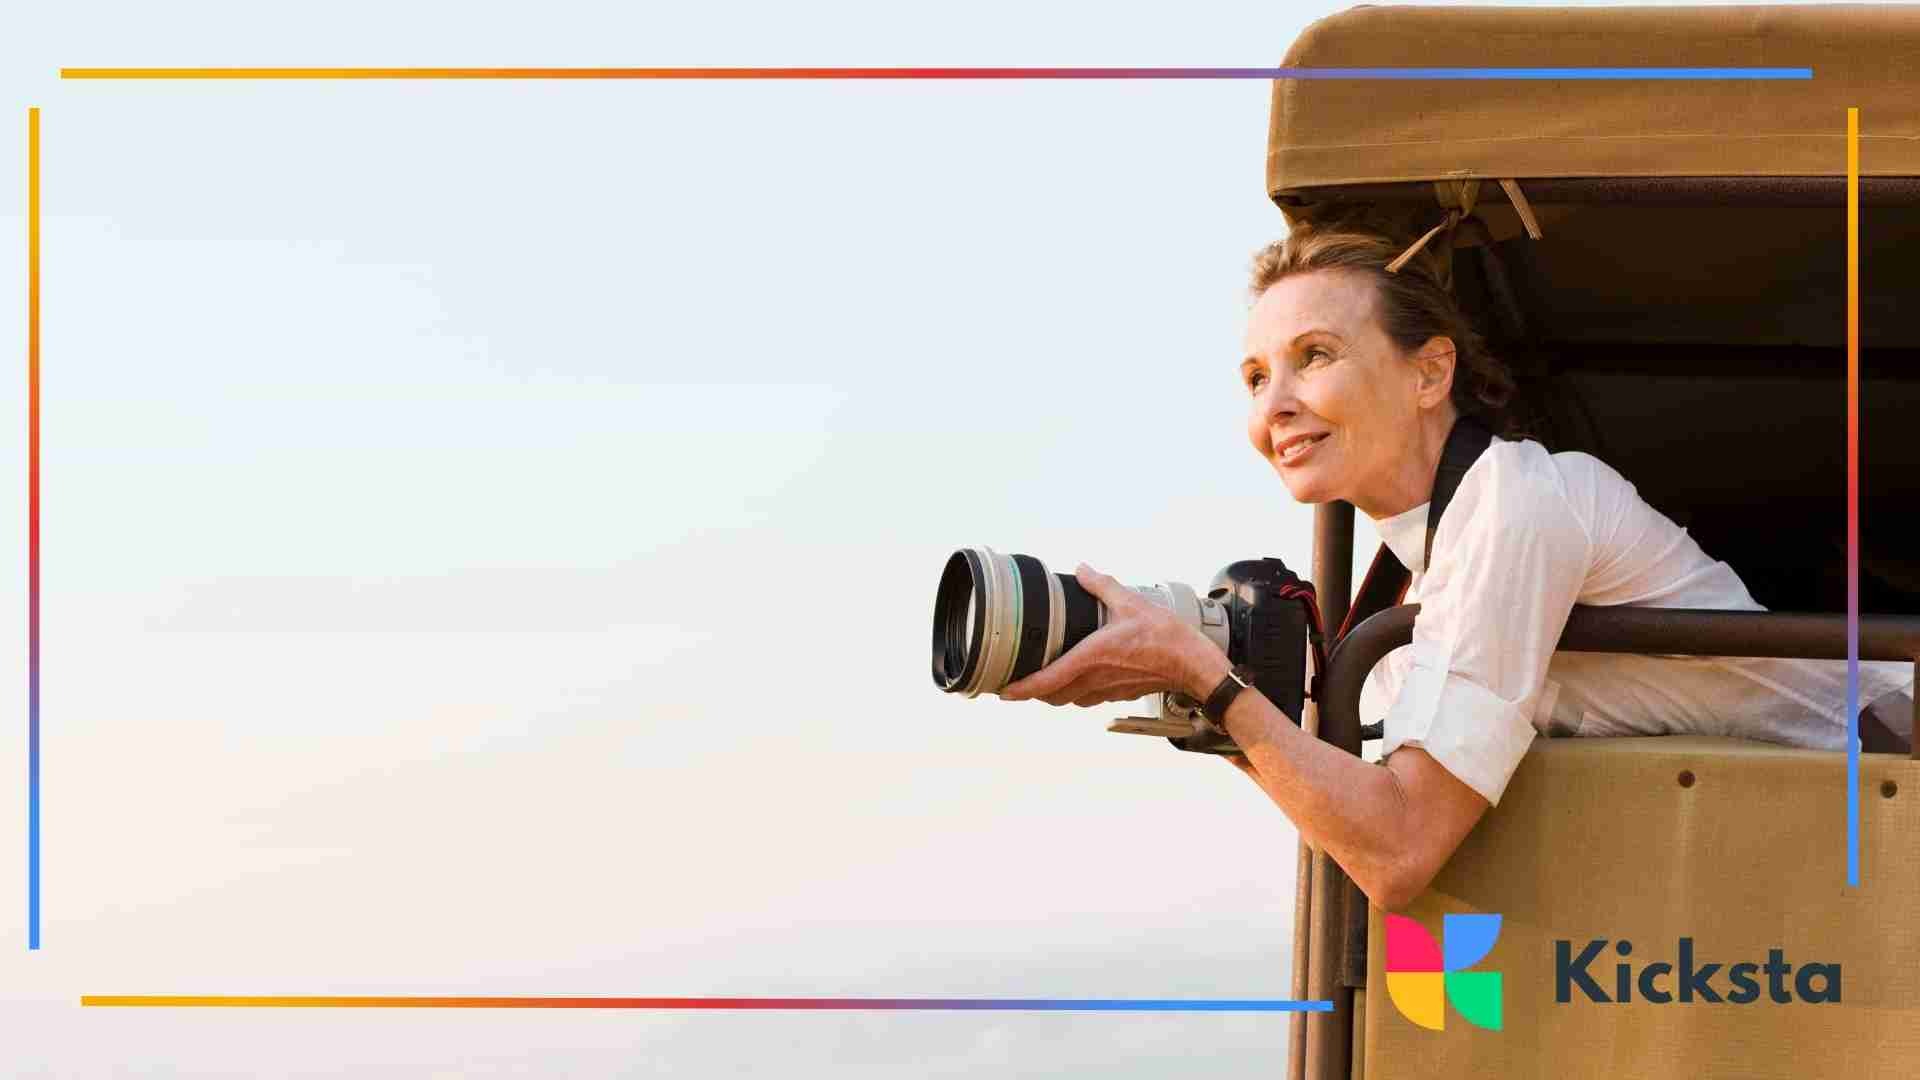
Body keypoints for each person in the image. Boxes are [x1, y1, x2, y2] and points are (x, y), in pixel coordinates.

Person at [999, 225, 1917, 912]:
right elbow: (1359, 818)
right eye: (1253, 377)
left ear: (1430, 374)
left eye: (1313, 357)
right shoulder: (1407, 583)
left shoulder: (1518, 502)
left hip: (1888, 792)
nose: (1275, 405)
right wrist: (1211, 701)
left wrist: (1204, 676)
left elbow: (1400, 851)